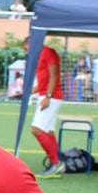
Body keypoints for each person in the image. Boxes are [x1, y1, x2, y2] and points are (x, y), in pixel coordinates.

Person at [25, 36, 66, 178]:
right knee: (48, 132)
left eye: (27, 49)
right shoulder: (42, 54)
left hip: (52, 97)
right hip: (48, 95)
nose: (27, 53)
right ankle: (56, 163)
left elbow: (54, 75)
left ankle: (56, 163)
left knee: (37, 130)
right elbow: (46, 79)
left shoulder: (48, 52)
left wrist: (48, 96)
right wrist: (33, 90)